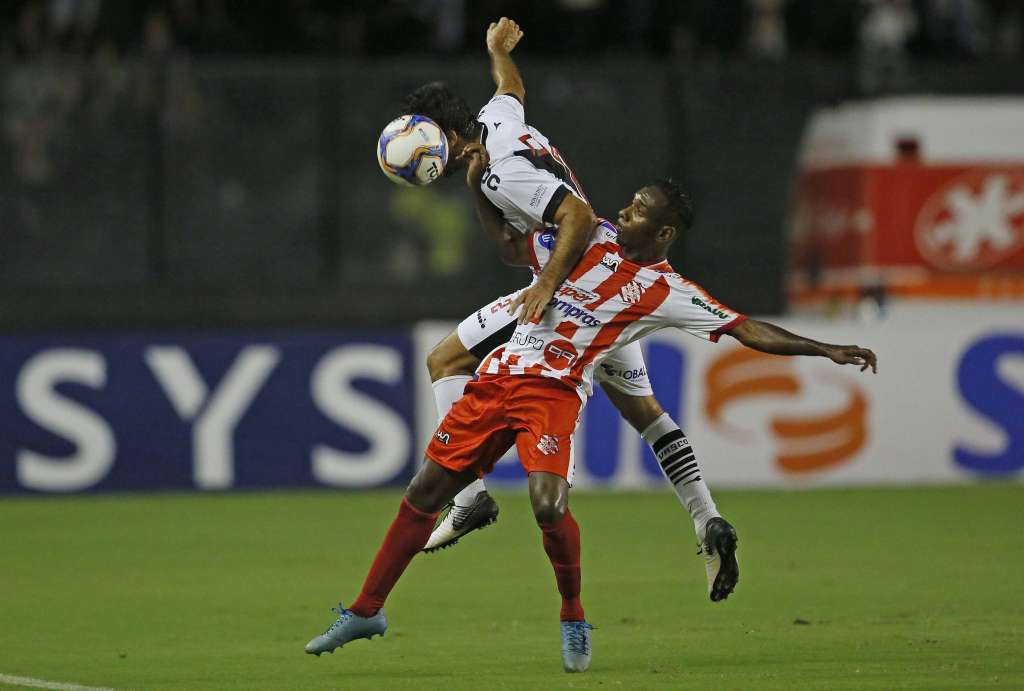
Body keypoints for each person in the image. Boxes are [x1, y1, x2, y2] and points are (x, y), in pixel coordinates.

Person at [304, 175, 879, 672]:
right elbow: (514, 243)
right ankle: (366, 610)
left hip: (555, 388)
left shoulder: (668, 291)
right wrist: (480, 181)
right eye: (628, 203)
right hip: (502, 373)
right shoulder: (588, 233)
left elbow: (744, 328)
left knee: (549, 501)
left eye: (639, 211)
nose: (624, 211)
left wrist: (824, 348)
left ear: (664, 234)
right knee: (427, 483)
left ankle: (574, 615)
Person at [405, 17, 737, 598]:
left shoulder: (500, 174)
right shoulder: (496, 122)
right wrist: (496, 51)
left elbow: (563, 226)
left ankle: (468, 500)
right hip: (612, 285)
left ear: (443, 140)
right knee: (648, 414)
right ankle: (707, 518)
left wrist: (545, 285)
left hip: (570, 290)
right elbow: (513, 89)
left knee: (444, 360)